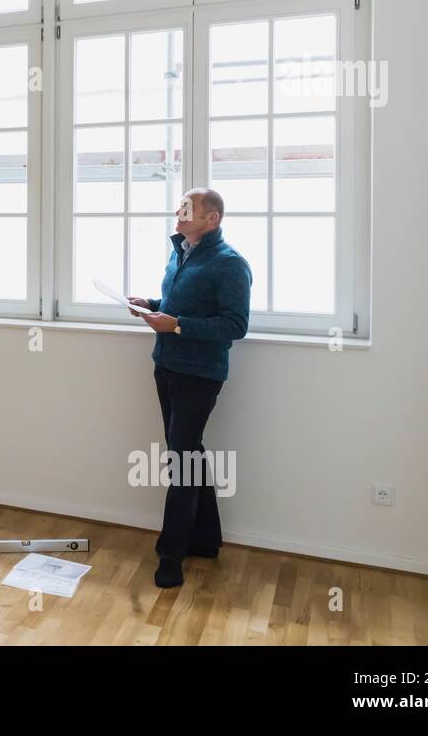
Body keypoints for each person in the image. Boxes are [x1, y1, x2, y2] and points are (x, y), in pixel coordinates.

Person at [128, 188, 251, 589]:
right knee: (187, 451)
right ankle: (206, 539)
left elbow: (235, 326)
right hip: (166, 365)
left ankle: (171, 553)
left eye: (187, 209)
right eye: (179, 207)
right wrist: (151, 303)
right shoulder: (181, 251)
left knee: (181, 459)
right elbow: (182, 303)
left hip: (199, 374)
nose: (177, 214)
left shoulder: (230, 264)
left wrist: (177, 324)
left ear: (211, 219)